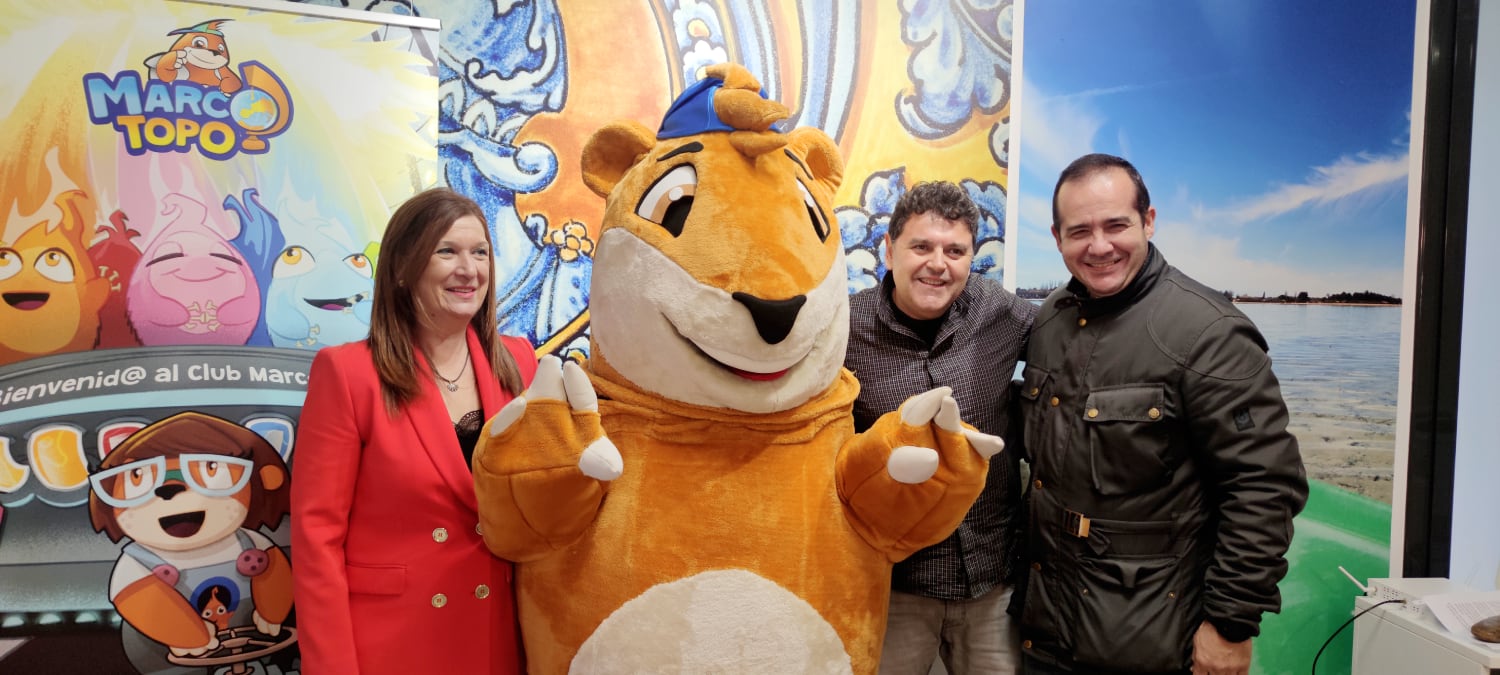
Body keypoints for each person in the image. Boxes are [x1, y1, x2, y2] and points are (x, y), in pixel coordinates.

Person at [1014, 153, 1308, 675]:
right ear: (1057, 238)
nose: (1099, 246)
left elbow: (1264, 487)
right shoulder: (1050, 320)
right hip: (1046, 632)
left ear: (1148, 222)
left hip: (1151, 641)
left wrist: (1230, 624)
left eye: (1116, 225)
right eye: (1079, 231)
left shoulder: (1208, 332)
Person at [291, 187, 537, 674]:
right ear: (403, 268)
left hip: (496, 634)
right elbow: (317, 538)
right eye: (446, 251)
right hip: (392, 642)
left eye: (480, 252)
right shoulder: (348, 373)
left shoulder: (520, 362)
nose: (469, 270)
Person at [845, 180, 1037, 674]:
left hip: (992, 583)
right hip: (892, 586)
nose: (938, 263)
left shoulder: (1001, 311)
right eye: (922, 246)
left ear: (972, 257)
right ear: (889, 251)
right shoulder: (843, 329)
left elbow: (1075, 341)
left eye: (955, 250)